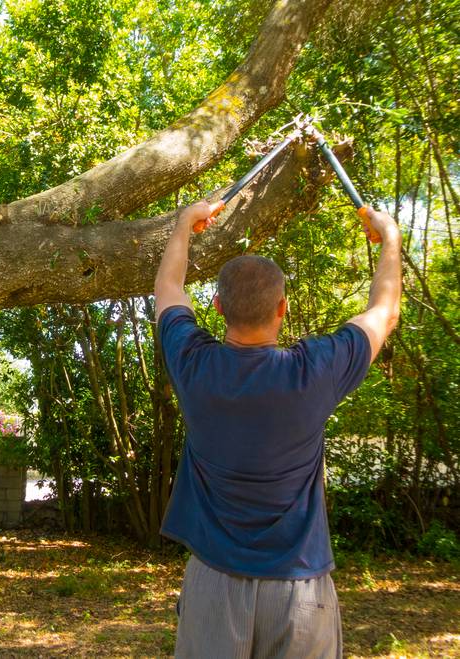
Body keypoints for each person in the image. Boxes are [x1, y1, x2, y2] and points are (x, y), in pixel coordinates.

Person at [153, 201, 401, 658]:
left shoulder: (194, 365)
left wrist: (184, 223)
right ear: (282, 308)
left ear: (218, 305)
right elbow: (384, 312)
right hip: (299, 589)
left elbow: (168, 287)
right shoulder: (313, 372)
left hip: (214, 584)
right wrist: (390, 239)